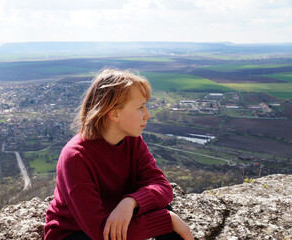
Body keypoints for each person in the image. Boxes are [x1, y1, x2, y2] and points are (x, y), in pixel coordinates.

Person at [44, 69, 193, 240]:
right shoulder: (76, 157)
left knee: (164, 212)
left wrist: (130, 202)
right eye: (140, 107)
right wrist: (166, 220)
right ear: (114, 113)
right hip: (76, 233)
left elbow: (162, 187)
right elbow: (101, 233)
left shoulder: (132, 141)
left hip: (117, 218)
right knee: (167, 219)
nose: (148, 115)